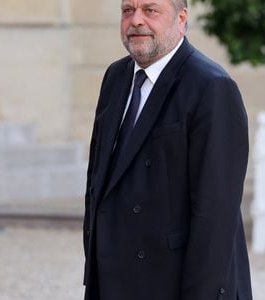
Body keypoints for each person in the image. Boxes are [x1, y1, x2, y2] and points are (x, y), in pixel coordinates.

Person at [83, 0, 253, 299]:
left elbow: (216, 216)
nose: (136, 20)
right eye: (127, 10)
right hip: (113, 281)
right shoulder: (115, 78)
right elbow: (98, 179)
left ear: (181, 18)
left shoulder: (211, 87)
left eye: (150, 10)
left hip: (174, 284)